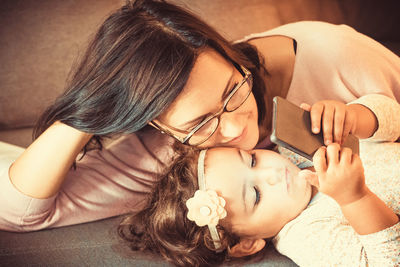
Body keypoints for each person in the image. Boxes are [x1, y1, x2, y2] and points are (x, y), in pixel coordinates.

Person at [1, 0, 400, 232]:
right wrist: (85, 113)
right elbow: (18, 212)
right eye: (199, 123)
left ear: (229, 53)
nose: (235, 128)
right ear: (159, 125)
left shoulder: (338, 56)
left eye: (232, 91)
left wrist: (363, 117)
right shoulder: (162, 150)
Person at [118, 94, 400, 267]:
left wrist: (355, 117)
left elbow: (394, 120)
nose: (272, 174)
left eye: (252, 160)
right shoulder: (306, 237)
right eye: (255, 195)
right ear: (247, 243)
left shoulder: (292, 149)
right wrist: (355, 198)